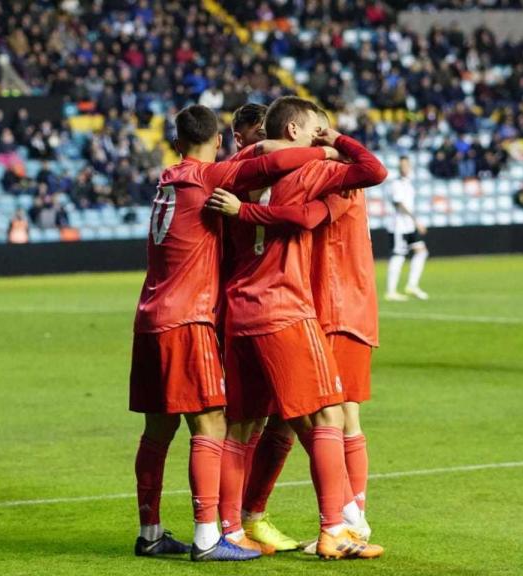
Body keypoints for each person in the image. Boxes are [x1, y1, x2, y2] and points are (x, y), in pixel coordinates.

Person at [129, 104, 334, 562]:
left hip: (148, 316)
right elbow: (279, 163)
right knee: (212, 423)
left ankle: (151, 531)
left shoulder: (166, 180)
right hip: (188, 319)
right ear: (218, 142)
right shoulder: (208, 178)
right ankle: (208, 537)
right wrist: (324, 149)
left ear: (176, 143)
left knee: (157, 431)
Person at [208, 96, 386, 559]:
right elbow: (371, 170)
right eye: (314, 130)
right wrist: (332, 146)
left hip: (237, 310)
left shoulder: (236, 170)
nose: (319, 137)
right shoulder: (309, 173)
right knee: (329, 415)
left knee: (241, 426)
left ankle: (228, 530)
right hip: (285, 306)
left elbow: (243, 161)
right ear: (295, 132)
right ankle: (338, 526)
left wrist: (244, 210)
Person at [385, 155, 429, 301]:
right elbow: (399, 204)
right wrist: (416, 220)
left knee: (421, 252)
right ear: (399, 167)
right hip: (399, 226)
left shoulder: (408, 184)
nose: (404, 168)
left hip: (409, 225)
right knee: (398, 256)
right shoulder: (396, 184)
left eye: (406, 165)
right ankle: (391, 291)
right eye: (402, 165)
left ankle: (412, 285)